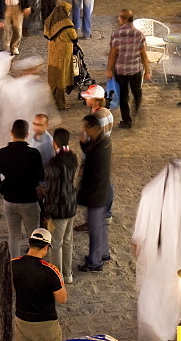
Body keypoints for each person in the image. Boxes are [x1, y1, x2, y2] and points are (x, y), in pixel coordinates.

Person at [133, 160, 181, 341]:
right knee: (164, 292)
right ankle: (160, 328)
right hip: (167, 255)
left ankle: (156, 326)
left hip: (159, 254)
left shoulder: (151, 194)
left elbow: (139, 229)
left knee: (157, 290)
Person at [0, 118, 44, 259]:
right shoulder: (34, 154)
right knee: (33, 236)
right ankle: (33, 264)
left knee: (13, 236)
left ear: (11, 133)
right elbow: (41, 177)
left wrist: (4, 191)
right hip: (29, 200)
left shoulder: (2, 153)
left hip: (10, 200)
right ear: (27, 134)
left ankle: (14, 264)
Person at [11, 227, 67, 341]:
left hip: (22, 320)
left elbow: (10, 289)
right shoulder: (50, 270)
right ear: (46, 247)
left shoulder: (12, 264)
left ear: (29, 244)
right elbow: (62, 299)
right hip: (46, 324)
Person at [77, 112, 112, 273]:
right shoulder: (104, 141)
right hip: (101, 193)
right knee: (99, 227)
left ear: (95, 128)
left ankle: (94, 262)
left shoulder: (98, 148)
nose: (84, 130)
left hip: (96, 195)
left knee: (94, 228)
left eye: (86, 127)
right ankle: (103, 253)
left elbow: (91, 161)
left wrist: (83, 145)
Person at [42, 128, 77, 284]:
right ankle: (68, 274)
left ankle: (57, 276)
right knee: (68, 241)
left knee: (56, 244)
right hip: (71, 205)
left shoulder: (53, 163)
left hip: (59, 210)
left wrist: (47, 212)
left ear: (54, 143)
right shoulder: (73, 158)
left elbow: (51, 190)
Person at [107, 9, 151, 129]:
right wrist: (147, 71)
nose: (118, 19)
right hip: (135, 69)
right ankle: (136, 109)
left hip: (121, 70)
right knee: (137, 91)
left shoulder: (116, 34)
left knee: (123, 95)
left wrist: (109, 70)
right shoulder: (139, 34)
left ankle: (127, 120)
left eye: (120, 17)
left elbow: (113, 54)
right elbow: (143, 55)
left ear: (125, 19)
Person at [43, 3, 77, 111]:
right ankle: (60, 103)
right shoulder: (67, 24)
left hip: (53, 53)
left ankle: (51, 100)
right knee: (61, 78)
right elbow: (74, 38)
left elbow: (46, 35)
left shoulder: (50, 21)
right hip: (64, 54)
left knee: (54, 76)